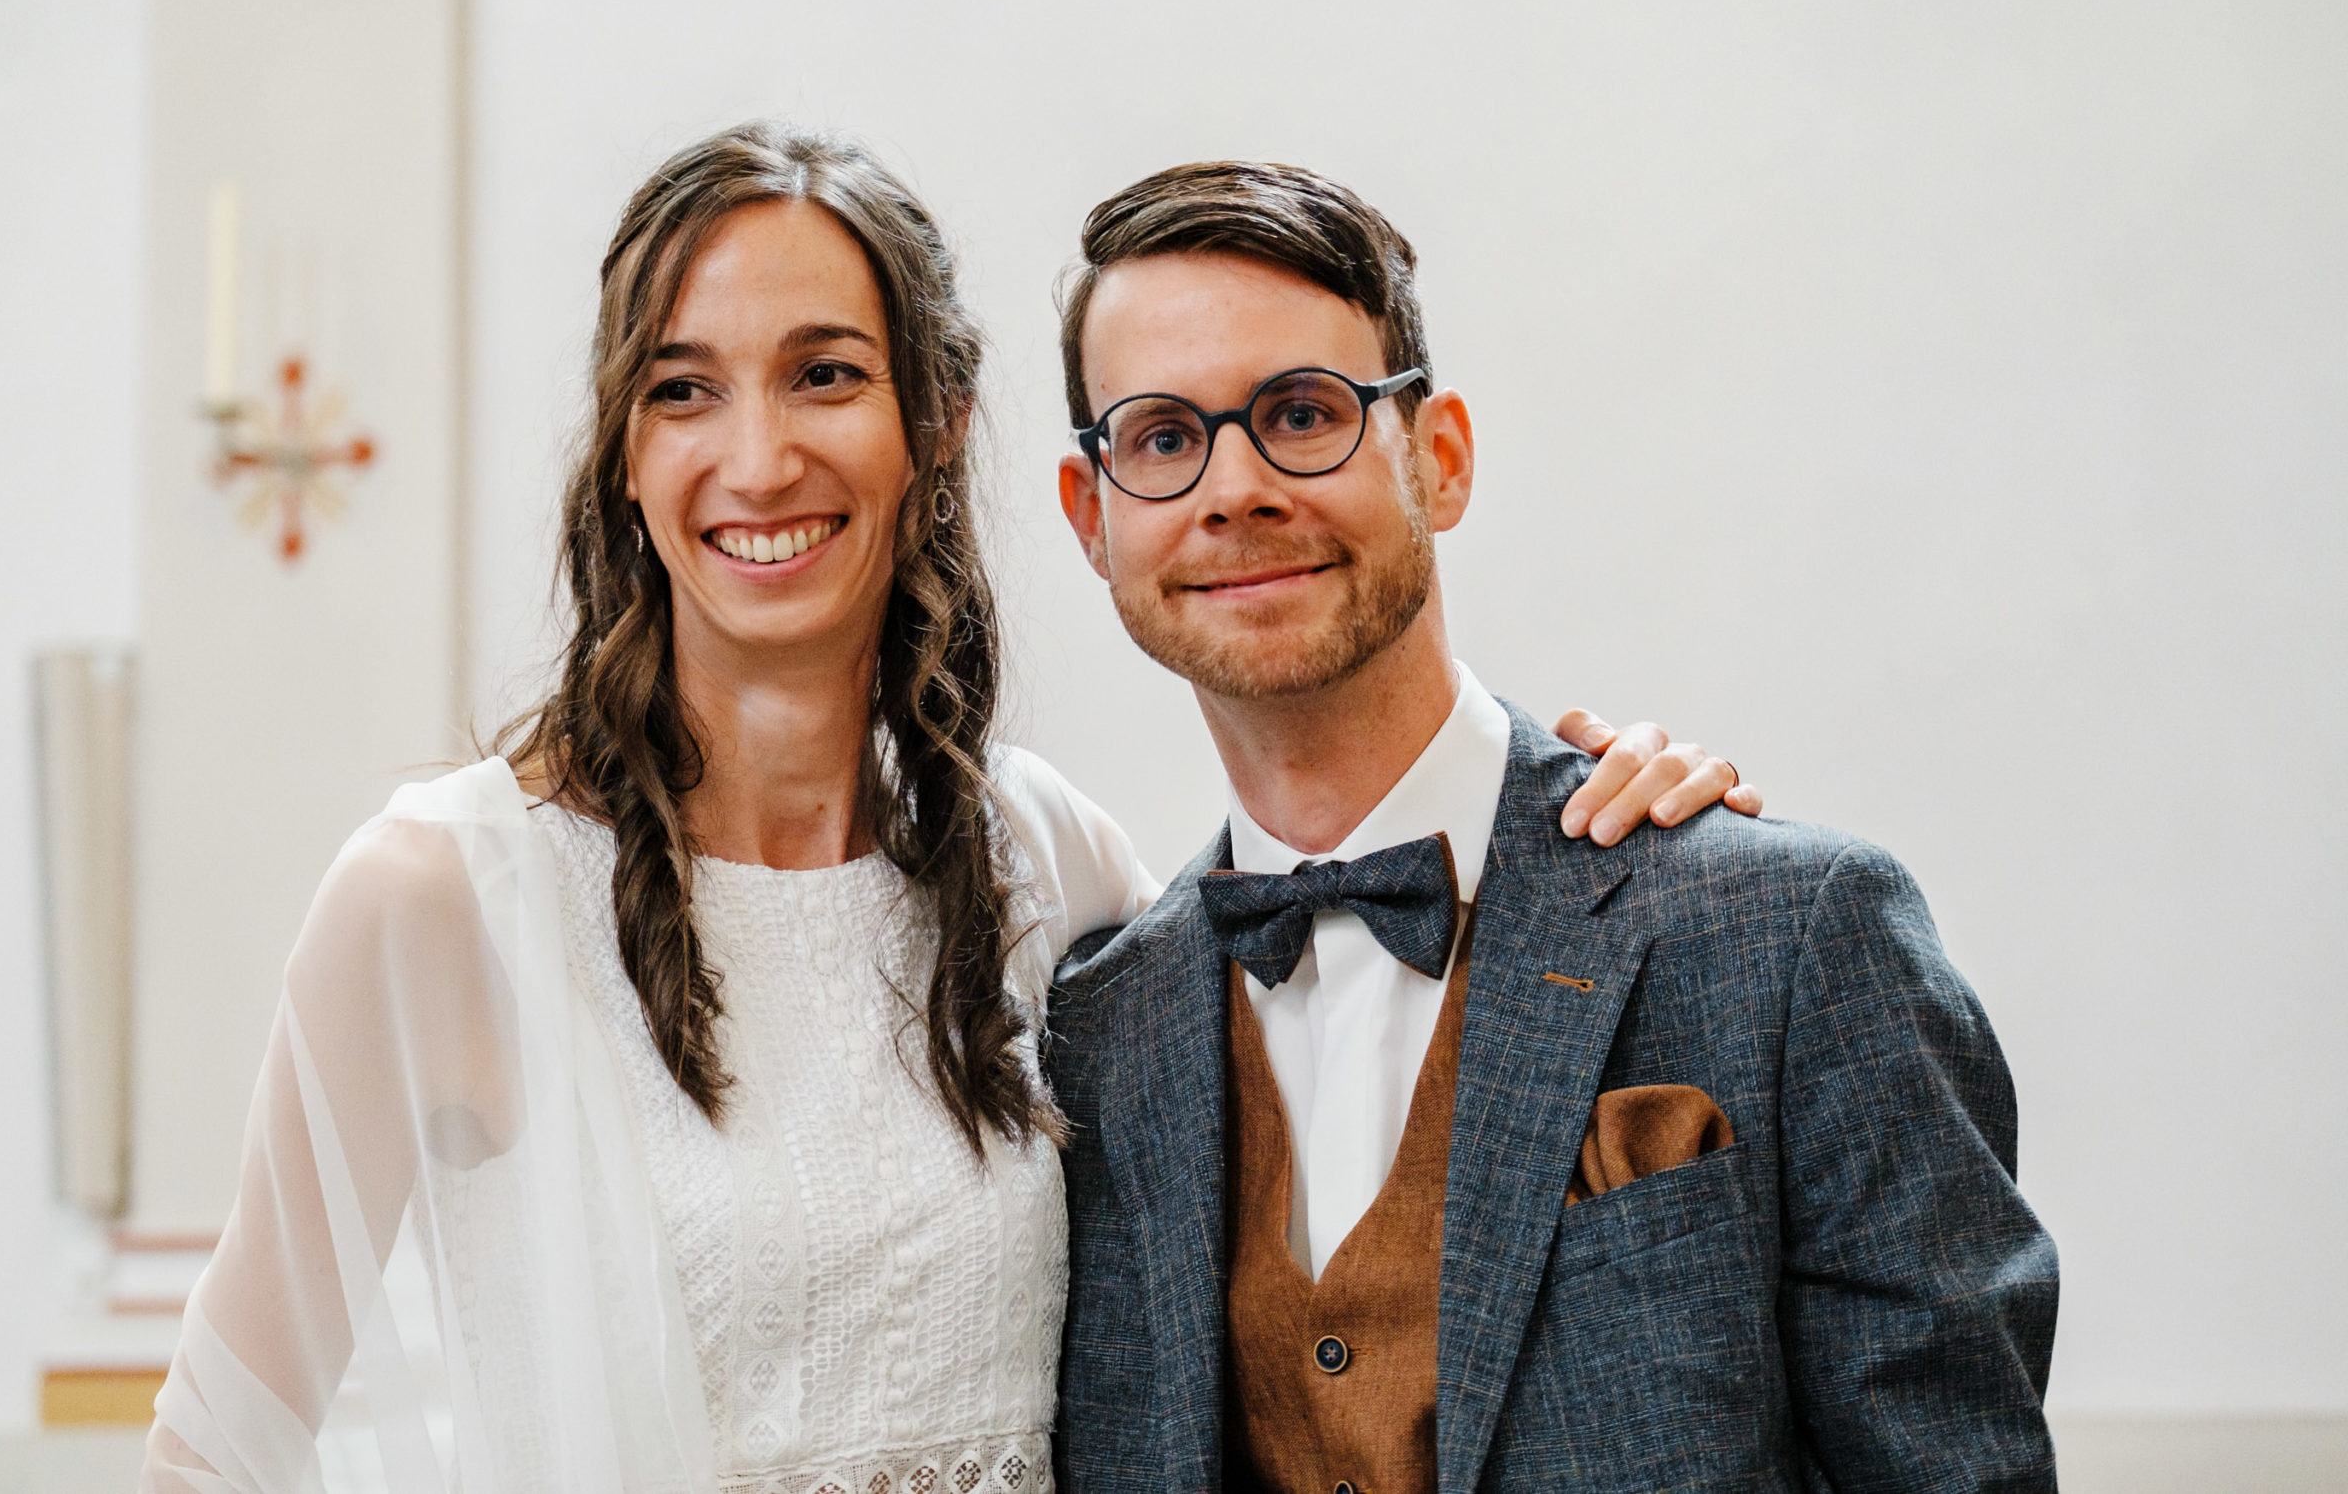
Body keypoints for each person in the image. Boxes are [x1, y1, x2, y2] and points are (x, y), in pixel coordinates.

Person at [141, 123, 1758, 1494]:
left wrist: (1604, 801)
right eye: (684, 391)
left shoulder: (1050, 862)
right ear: (624, 457)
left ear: (935, 429)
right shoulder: (446, 893)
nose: (757, 458)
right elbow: (217, 1448)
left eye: (825, 375)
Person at [1042, 161, 2060, 1494]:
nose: (1234, 488)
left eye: (1303, 413)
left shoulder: (1795, 933)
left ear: (1441, 459)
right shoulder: (1094, 1037)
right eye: (1163, 438)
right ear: (1094, 518)